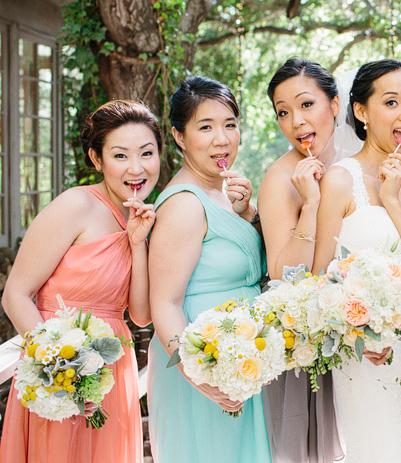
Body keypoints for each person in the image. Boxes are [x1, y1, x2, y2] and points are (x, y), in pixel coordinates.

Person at [0, 100, 159, 462]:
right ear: (96, 159)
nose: (136, 168)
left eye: (146, 153)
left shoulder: (139, 219)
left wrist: (138, 243)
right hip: (58, 368)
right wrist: (59, 371)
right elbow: (16, 295)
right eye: (120, 156)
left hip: (112, 370)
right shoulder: (76, 206)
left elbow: (141, 315)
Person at [312, 59, 401, 463]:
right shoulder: (340, 180)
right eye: (391, 102)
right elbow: (319, 276)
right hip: (364, 357)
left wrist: (391, 198)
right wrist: (357, 334)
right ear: (361, 111)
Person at [146, 76, 270, 463]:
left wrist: (248, 214)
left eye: (230, 124)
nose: (222, 138)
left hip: (242, 360)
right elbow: (163, 304)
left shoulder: (222, 192)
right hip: (205, 367)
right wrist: (198, 374)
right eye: (205, 127)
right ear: (179, 137)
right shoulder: (184, 204)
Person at [258, 58, 343, 463]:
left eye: (306, 105)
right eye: (283, 112)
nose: (296, 122)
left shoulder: (354, 166)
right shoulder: (280, 179)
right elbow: (282, 273)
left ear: (337, 105)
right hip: (308, 343)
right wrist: (309, 205)